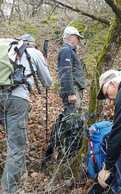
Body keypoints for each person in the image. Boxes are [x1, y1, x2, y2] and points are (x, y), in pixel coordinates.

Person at [0, 34, 52, 194]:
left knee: (12, 141)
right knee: (16, 146)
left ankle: (19, 175)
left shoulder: (7, 51)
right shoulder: (34, 53)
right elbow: (48, 82)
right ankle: (9, 189)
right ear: (32, 44)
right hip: (16, 99)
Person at [57, 26, 86, 114]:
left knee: (74, 118)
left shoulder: (70, 51)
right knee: (72, 119)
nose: (78, 41)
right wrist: (70, 93)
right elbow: (66, 72)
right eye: (77, 38)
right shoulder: (66, 51)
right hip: (73, 90)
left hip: (75, 89)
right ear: (71, 37)